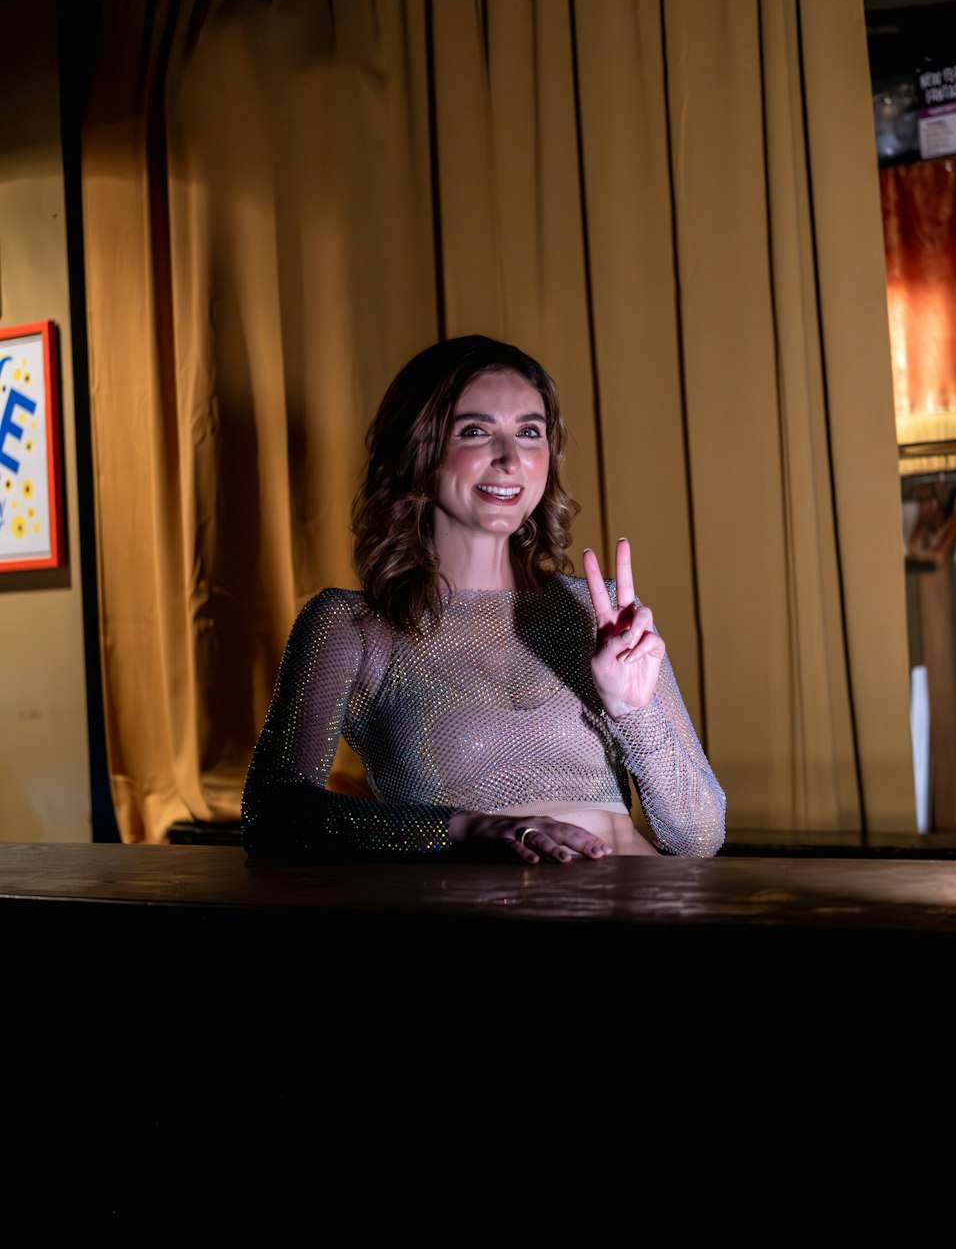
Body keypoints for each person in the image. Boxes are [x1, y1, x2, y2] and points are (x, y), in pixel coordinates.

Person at [241, 334, 725, 863]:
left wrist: (634, 714)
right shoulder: (352, 626)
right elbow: (273, 813)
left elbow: (699, 838)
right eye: (475, 431)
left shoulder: (600, 612)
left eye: (530, 433)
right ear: (417, 449)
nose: (509, 459)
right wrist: (465, 829)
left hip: (639, 915)